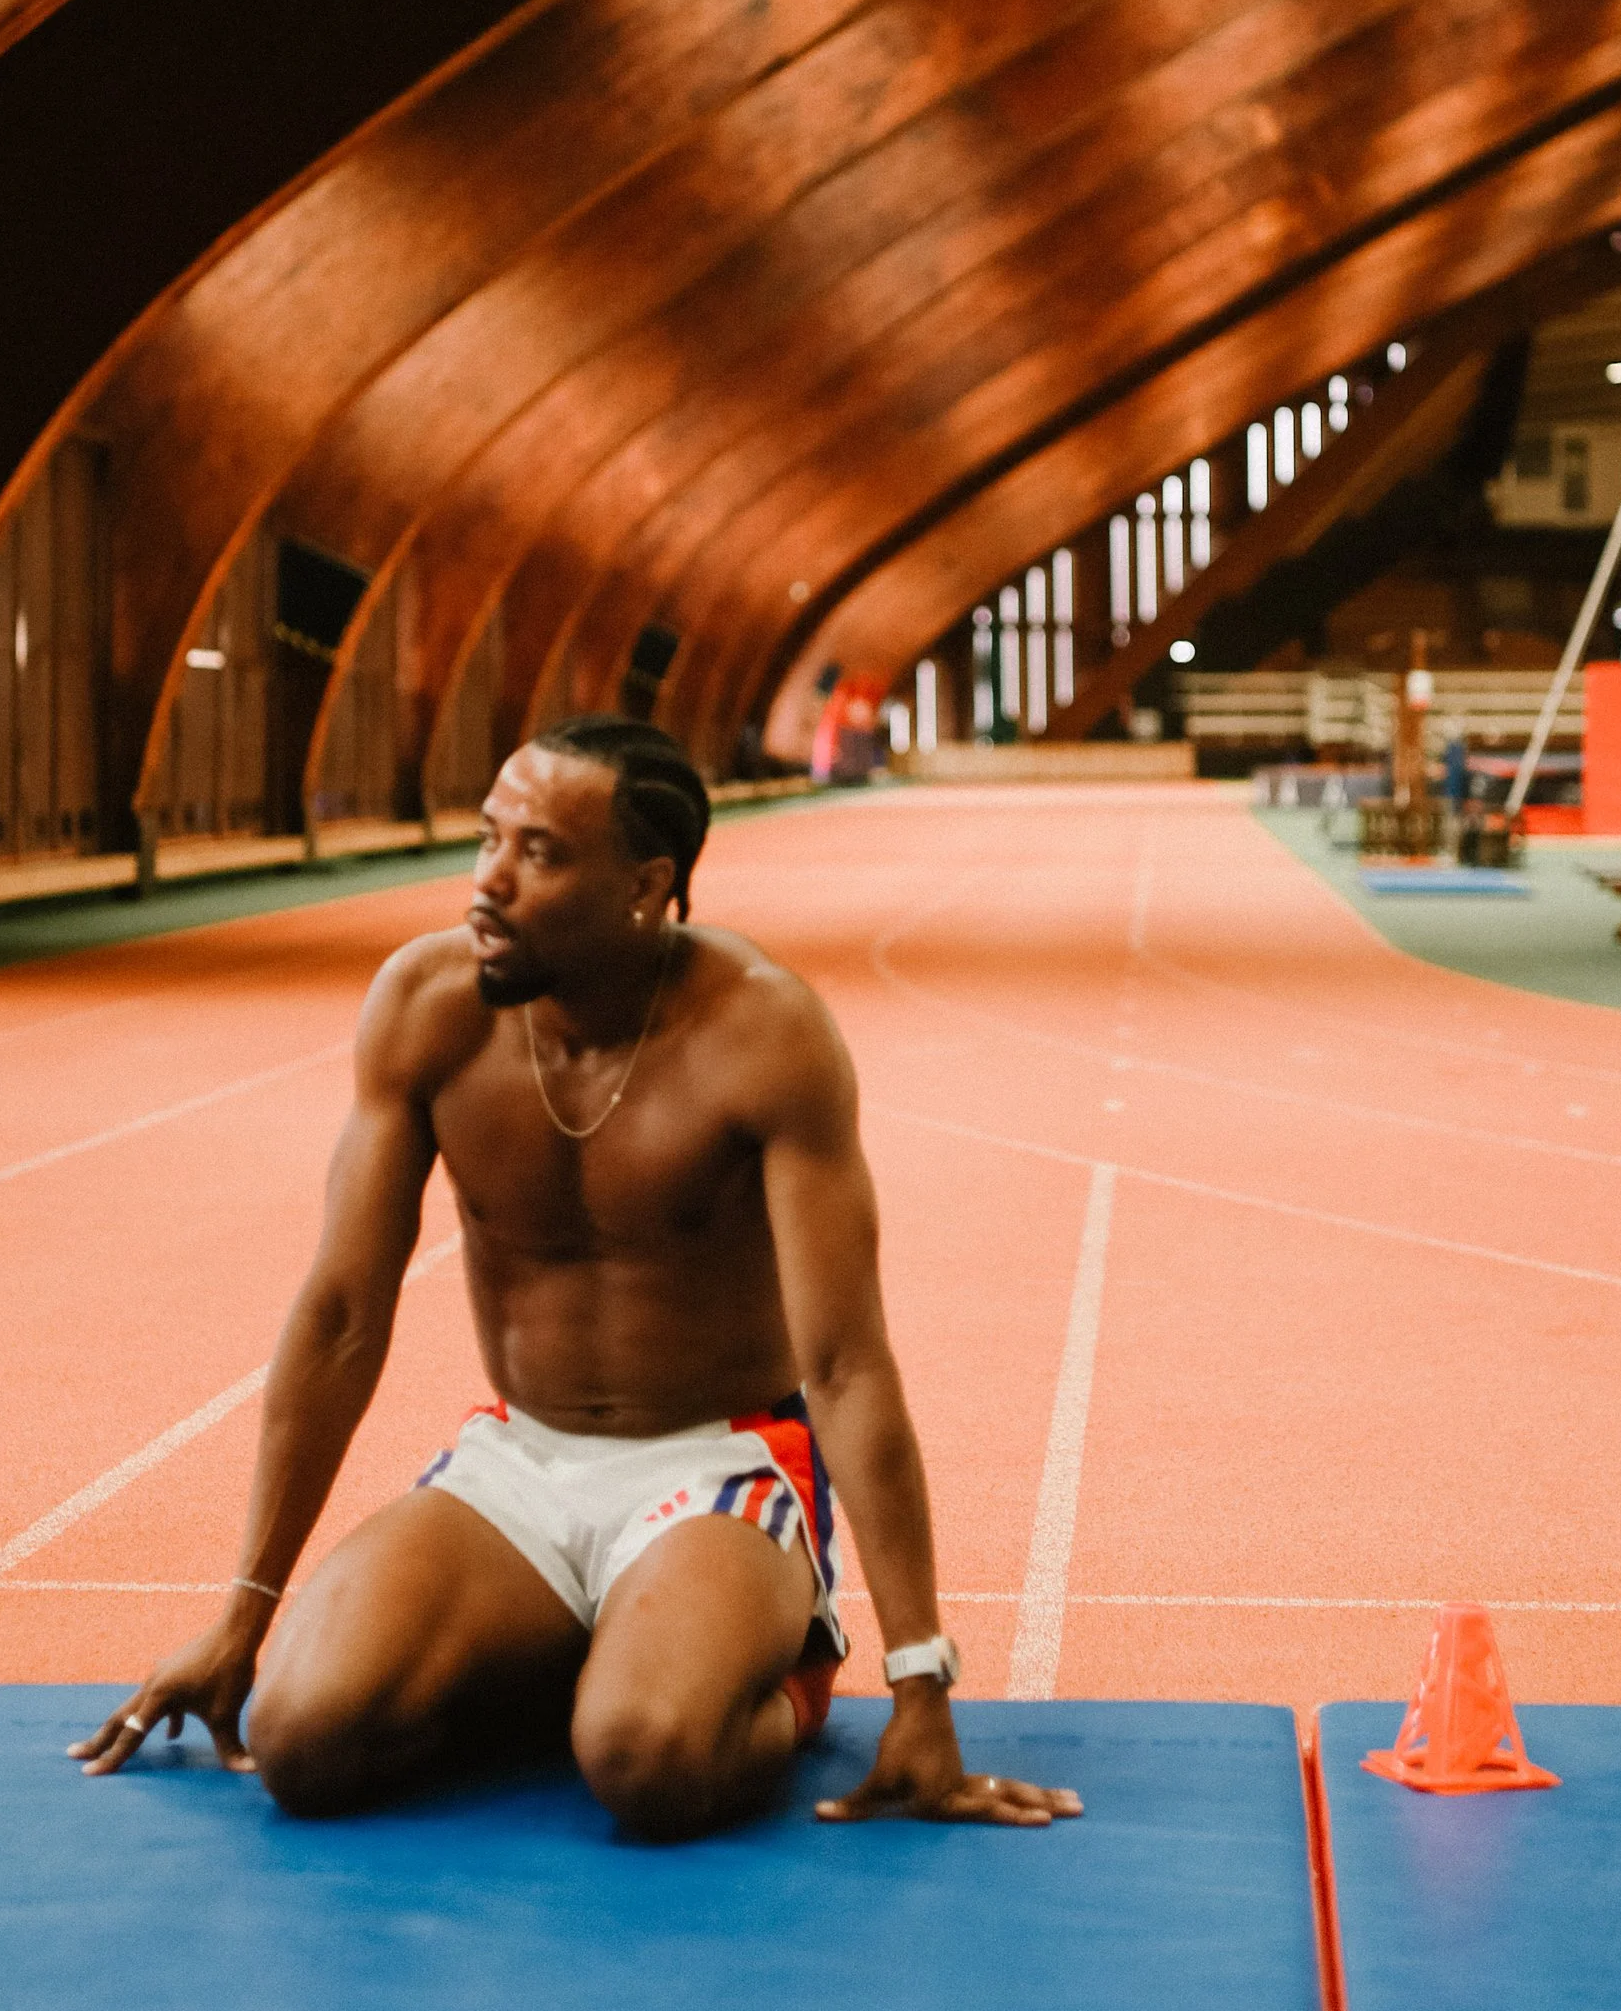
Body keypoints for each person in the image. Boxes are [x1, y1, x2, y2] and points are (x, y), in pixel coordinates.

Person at [71, 717, 1078, 1841]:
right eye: (489, 838)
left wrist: (919, 1682)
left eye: (540, 854)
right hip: (523, 1459)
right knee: (302, 1740)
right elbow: (343, 1316)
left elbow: (844, 1364)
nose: (486, 883)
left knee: (647, 1763)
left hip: (719, 1461)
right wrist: (240, 1620)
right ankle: (587, 1645)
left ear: (646, 886)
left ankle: (765, 1662)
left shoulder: (761, 1032)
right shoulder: (426, 1011)